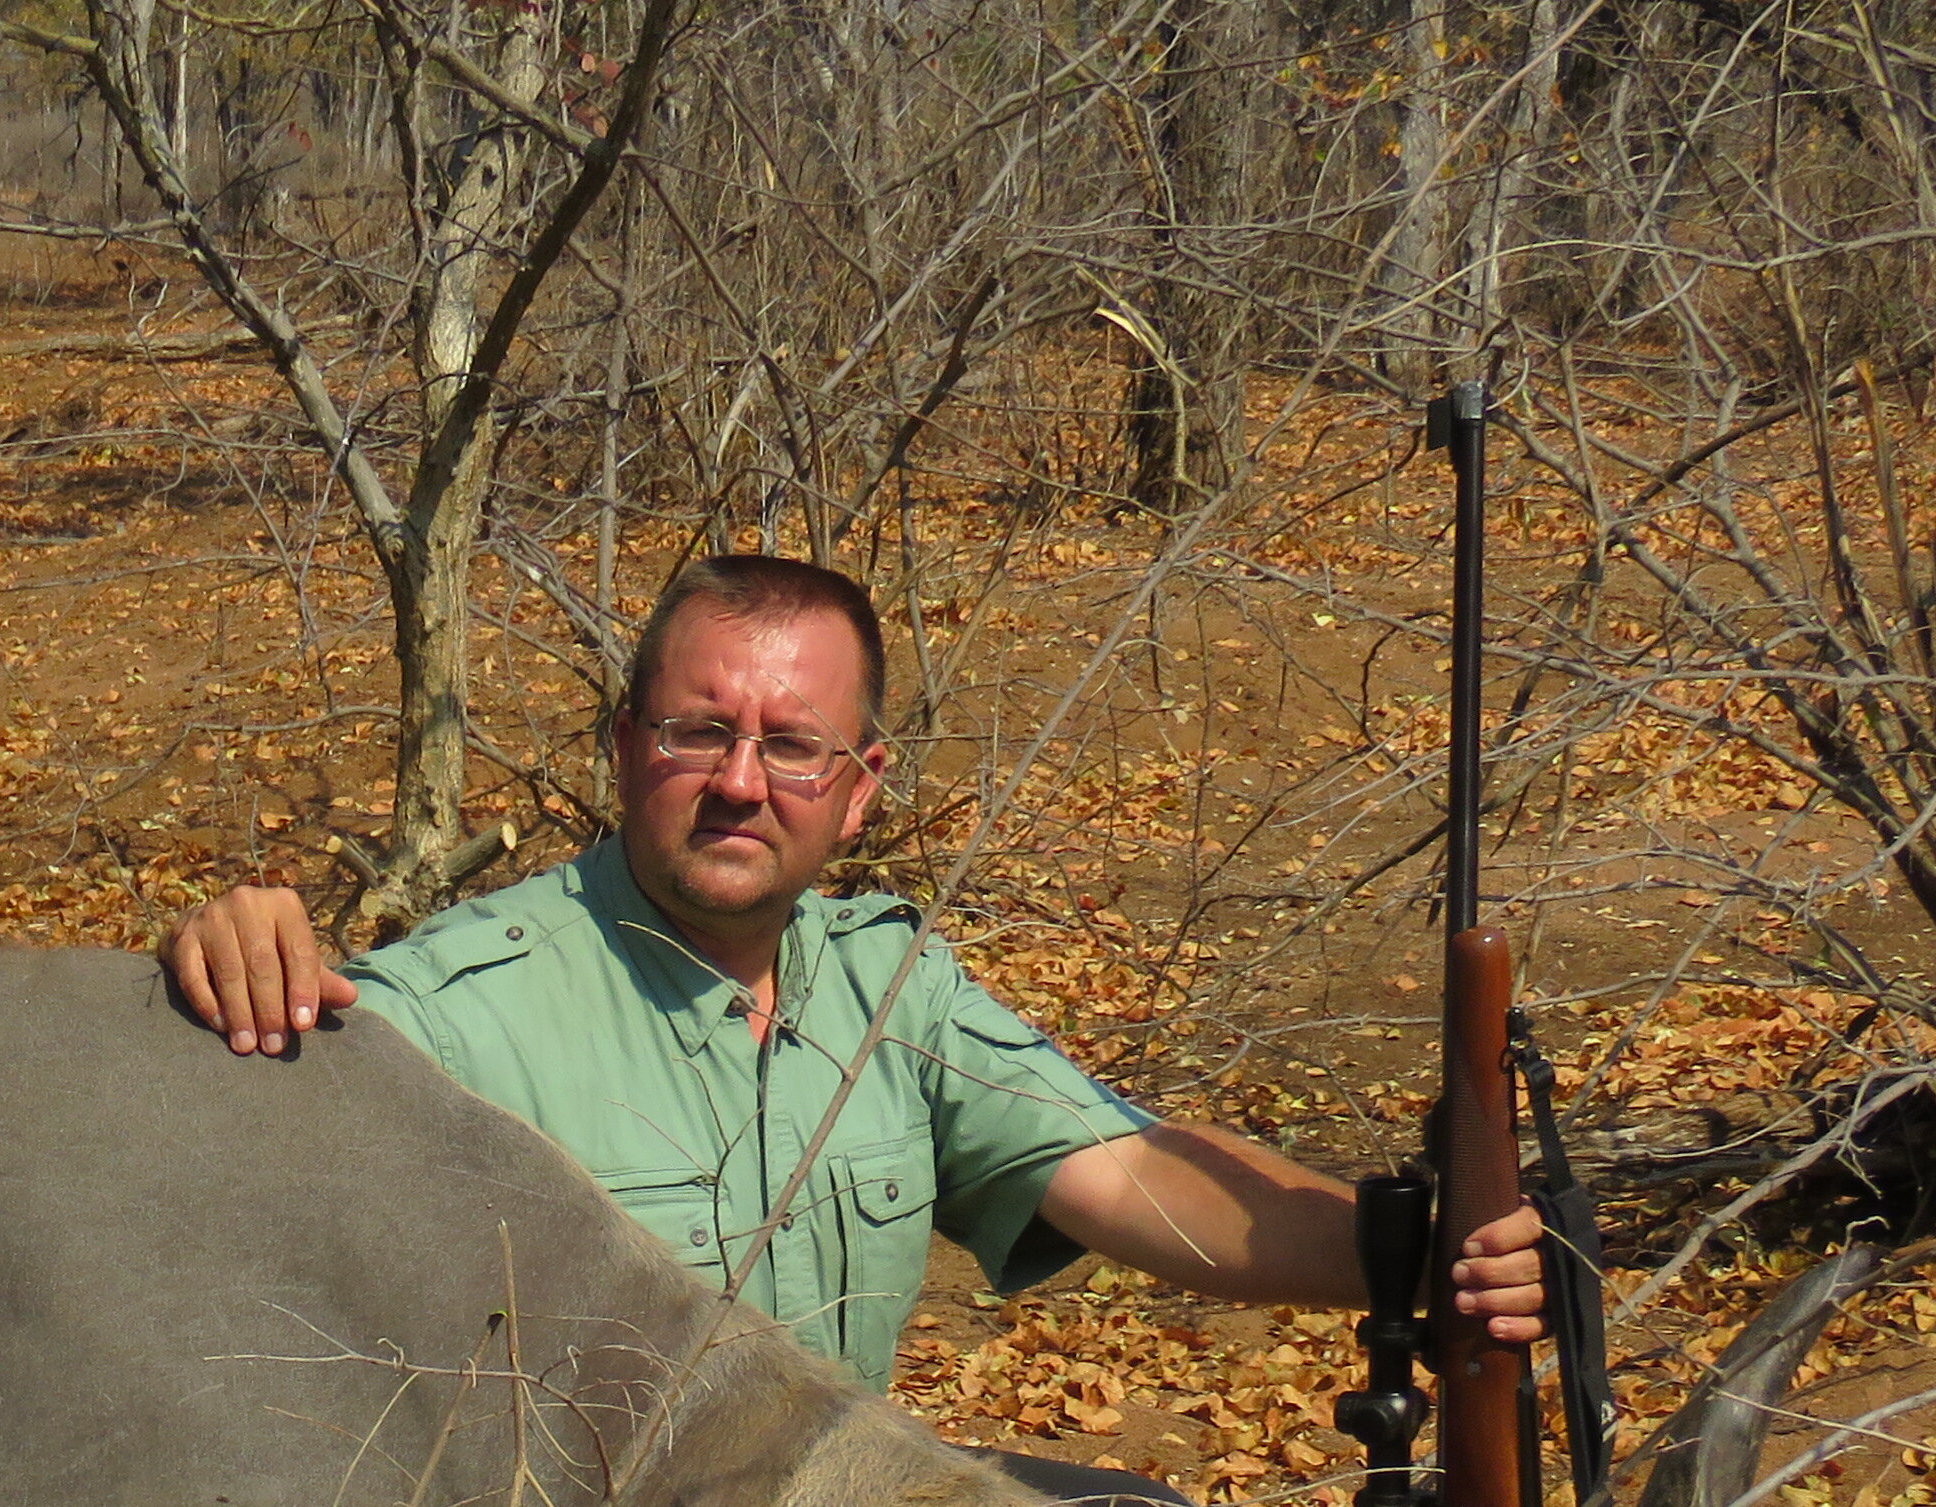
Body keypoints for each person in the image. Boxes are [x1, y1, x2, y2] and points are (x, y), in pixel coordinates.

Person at [157, 553, 1547, 1403]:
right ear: (622, 744)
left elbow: (1131, 1180)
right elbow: (249, 1152)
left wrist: (1414, 1247)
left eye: (793, 745)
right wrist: (222, 967)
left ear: (862, 788)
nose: (743, 784)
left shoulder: (892, 988)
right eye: (699, 732)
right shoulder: (458, 1008)